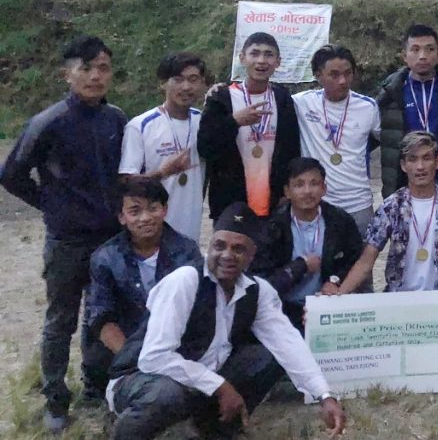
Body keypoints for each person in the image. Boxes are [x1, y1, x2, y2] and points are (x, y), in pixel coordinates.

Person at [104, 202, 346, 439]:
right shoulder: (186, 280)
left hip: (201, 379)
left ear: (251, 255)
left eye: (238, 249)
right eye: (219, 246)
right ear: (209, 246)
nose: (227, 255)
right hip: (139, 377)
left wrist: (324, 395)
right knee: (166, 394)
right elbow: (154, 358)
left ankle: (215, 430)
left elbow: (287, 342)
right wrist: (221, 386)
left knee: (267, 357)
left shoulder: (257, 290)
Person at [0, 36, 126, 432]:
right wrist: (51, 205)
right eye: (85, 68)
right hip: (67, 240)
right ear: (67, 74)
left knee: (101, 314)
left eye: (102, 68)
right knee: (61, 319)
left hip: (110, 238)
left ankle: (95, 386)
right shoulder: (48, 122)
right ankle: (55, 397)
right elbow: (11, 173)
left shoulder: (116, 119)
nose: (95, 76)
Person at [329, 131, 438, 294]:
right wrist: (339, 294)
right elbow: (367, 260)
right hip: (401, 298)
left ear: (437, 162)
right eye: (412, 159)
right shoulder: (391, 207)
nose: (420, 167)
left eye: (426, 158)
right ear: (403, 165)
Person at [83, 177, 202, 398]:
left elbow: (199, 310)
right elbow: (101, 318)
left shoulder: (187, 251)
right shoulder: (105, 258)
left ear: (165, 210)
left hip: (176, 344)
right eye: (135, 211)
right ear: (122, 217)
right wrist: (134, 359)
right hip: (127, 349)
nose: (145, 218)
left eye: (153, 208)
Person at [197, 32, 300, 221]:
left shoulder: (282, 98)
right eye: (255, 53)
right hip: (231, 202)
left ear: (278, 62)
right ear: (242, 58)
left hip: (275, 203)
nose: (261, 61)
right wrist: (234, 122)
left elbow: (292, 149)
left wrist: (287, 191)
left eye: (268, 54)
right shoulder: (221, 98)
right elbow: (205, 147)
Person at [252, 158, 365, 328]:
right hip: (282, 309)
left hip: (327, 306)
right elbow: (262, 281)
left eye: (314, 184)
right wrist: (300, 267)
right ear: (287, 191)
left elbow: (354, 259)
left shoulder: (340, 221)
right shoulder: (272, 227)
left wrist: (335, 281)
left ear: (324, 188)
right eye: (299, 185)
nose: (307, 191)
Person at [293, 44, 381, 235]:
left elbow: (389, 140)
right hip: (317, 203)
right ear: (318, 75)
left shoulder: (368, 107)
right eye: (334, 75)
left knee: (361, 254)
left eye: (348, 74)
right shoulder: (301, 103)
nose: (342, 81)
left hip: (359, 204)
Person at [119, 52, 207, 242]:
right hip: (151, 233)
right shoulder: (140, 126)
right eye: (178, 80)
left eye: (193, 79)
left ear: (202, 83)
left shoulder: (204, 122)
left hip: (191, 232)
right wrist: (163, 172)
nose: (186, 87)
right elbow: (127, 183)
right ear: (163, 83)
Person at [375, 24, 438, 199]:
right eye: (415, 49)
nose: (423, 56)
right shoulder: (390, 93)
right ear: (404, 56)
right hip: (403, 185)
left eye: (430, 49)